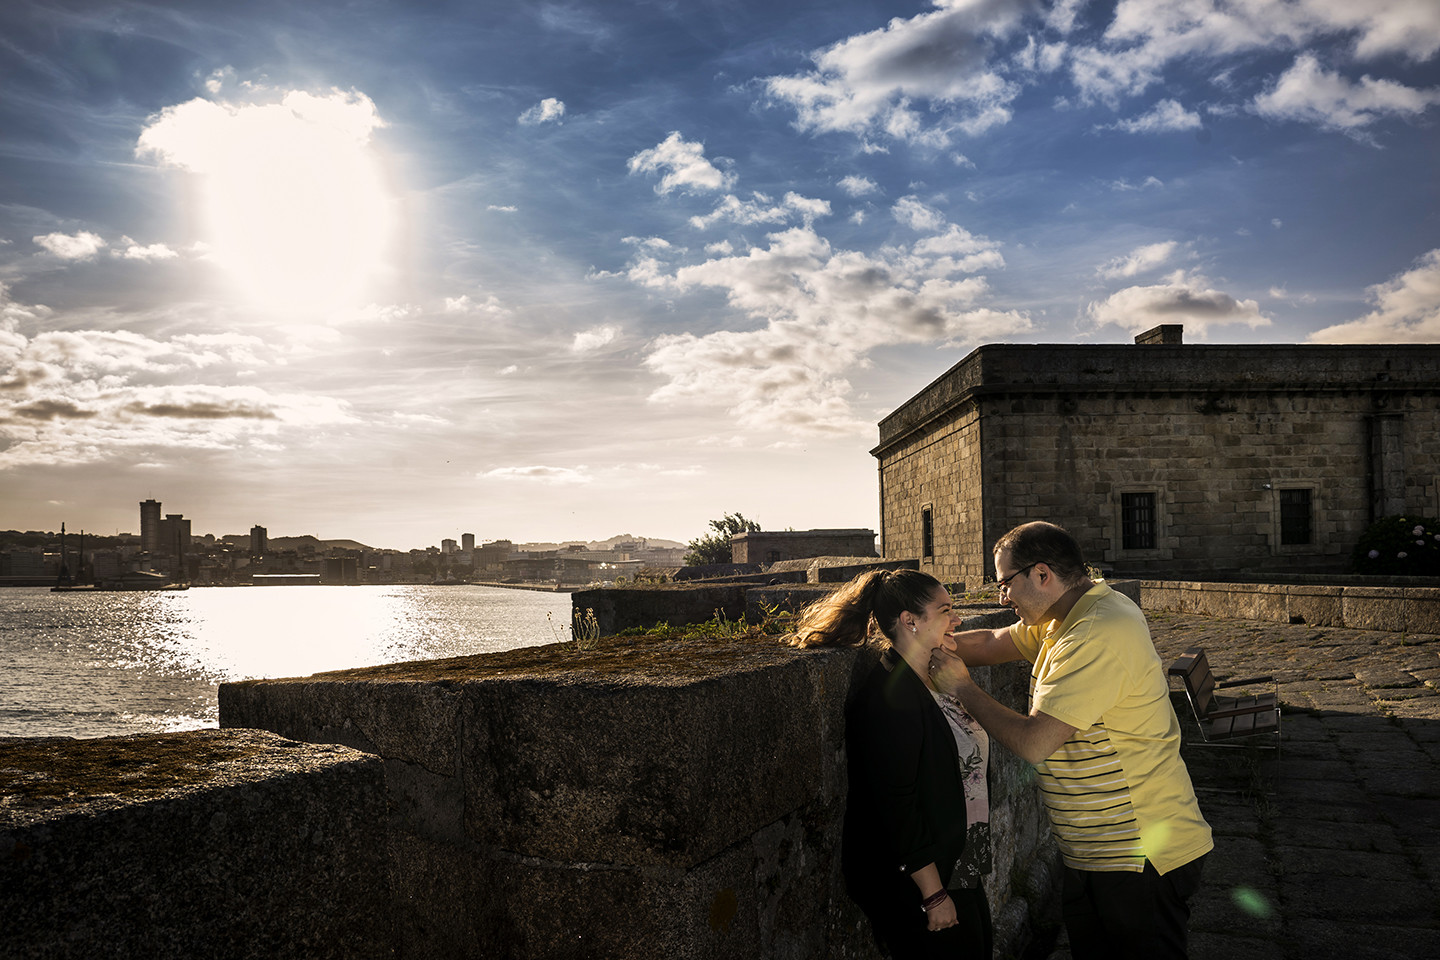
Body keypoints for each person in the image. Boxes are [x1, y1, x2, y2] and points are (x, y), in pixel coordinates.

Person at [926, 521, 1211, 960]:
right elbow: (992, 639)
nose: (1002, 597)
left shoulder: (1097, 631)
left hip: (1138, 855)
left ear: (1041, 575)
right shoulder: (1066, 614)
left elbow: (1035, 742)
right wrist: (919, 646)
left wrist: (961, 687)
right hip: (1095, 852)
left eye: (1004, 583)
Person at [793, 568, 993, 960]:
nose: (957, 619)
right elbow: (896, 804)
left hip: (959, 867)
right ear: (910, 621)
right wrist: (934, 895)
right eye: (946, 610)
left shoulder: (933, 677)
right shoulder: (891, 697)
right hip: (924, 883)